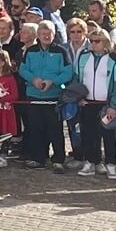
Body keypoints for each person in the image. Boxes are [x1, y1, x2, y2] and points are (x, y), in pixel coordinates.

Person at [19, 21, 73, 169]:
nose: (46, 36)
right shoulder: (30, 51)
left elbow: (68, 73)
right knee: (36, 128)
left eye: (49, 33)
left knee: (55, 129)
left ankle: (58, 159)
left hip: (53, 96)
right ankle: (38, 158)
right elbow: (23, 70)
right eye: (43, 33)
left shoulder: (61, 51)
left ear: (54, 34)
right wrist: (33, 79)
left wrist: (53, 81)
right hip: (34, 95)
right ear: (38, 35)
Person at [73, 31, 116, 178]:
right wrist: (79, 98)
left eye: (97, 41)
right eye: (92, 40)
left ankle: (111, 164)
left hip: (105, 105)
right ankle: (90, 161)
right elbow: (77, 80)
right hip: (88, 104)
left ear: (106, 43)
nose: (93, 43)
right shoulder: (83, 57)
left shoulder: (114, 60)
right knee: (89, 134)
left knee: (109, 135)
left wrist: (113, 106)